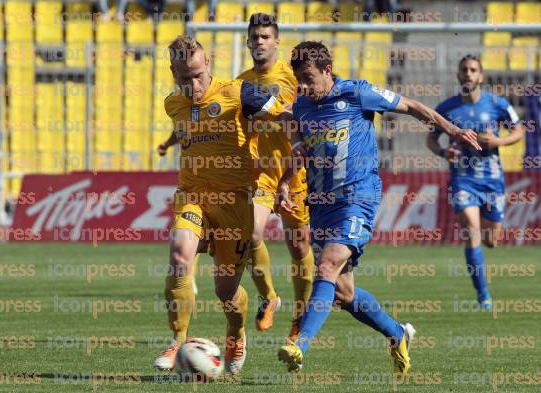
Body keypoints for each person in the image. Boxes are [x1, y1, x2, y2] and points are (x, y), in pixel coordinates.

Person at [276, 41, 481, 374]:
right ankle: (397, 333)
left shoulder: (357, 93)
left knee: (326, 267)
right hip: (322, 205)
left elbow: (413, 106)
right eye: (298, 79)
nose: (303, 86)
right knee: (342, 293)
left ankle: (299, 345)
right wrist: (285, 182)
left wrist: (454, 130)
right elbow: (299, 149)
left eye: (308, 78)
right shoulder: (302, 106)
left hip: (358, 197)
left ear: (327, 71)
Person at [153, 35, 289, 375]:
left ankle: (236, 331)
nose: (194, 84)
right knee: (179, 256)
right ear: (173, 72)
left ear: (208, 63)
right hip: (193, 197)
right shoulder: (173, 103)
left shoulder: (239, 93)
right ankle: (178, 339)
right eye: (185, 78)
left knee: (225, 292)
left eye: (198, 74)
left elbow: (283, 114)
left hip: (235, 204)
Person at [236, 13, 314, 337]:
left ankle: (300, 318)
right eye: (254, 37)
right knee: (251, 234)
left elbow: (307, 129)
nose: (259, 42)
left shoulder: (294, 79)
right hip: (261, 175)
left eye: (265, 37)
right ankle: (269, 297)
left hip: (294, 174)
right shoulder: (240, 84)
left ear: (277, 41)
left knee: (298, 248)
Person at [427, 55, 525, 309]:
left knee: (492, 240)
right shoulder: (446, 108)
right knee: (471, 230)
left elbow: (519, 130)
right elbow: (432, 139)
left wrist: (498, 142)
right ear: (458, 76)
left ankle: (485, 234)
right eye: (464, 70)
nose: (468, 74)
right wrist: (442, 152)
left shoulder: (497, 104)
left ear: (480, 76)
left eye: (473, 70)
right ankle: (484, 296)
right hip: (463, 179)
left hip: (492, 181)